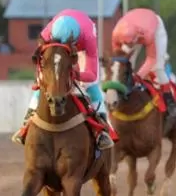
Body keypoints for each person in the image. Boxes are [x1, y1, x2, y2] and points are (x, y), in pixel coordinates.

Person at [11, 10, 116, 149]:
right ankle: (26, 123)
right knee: (42, 84)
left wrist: (75, 75)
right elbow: (40, 64)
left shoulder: (88, 37)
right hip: (54, 47)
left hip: (81, 48)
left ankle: (102, 129)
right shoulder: (47, 33)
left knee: (91, 85)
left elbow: (92, 74)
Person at [111, 7, 176, 133]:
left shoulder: (148, 34)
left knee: (157, 68)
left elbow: (151, 59)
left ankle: (170, 103)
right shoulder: (116, 34)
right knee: (125, 64)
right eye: (128, 44)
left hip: (154, 26)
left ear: (137, 38)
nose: (131, 47)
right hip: (134, 26)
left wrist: (138, 76)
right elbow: (118, 59)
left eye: (132, 44)